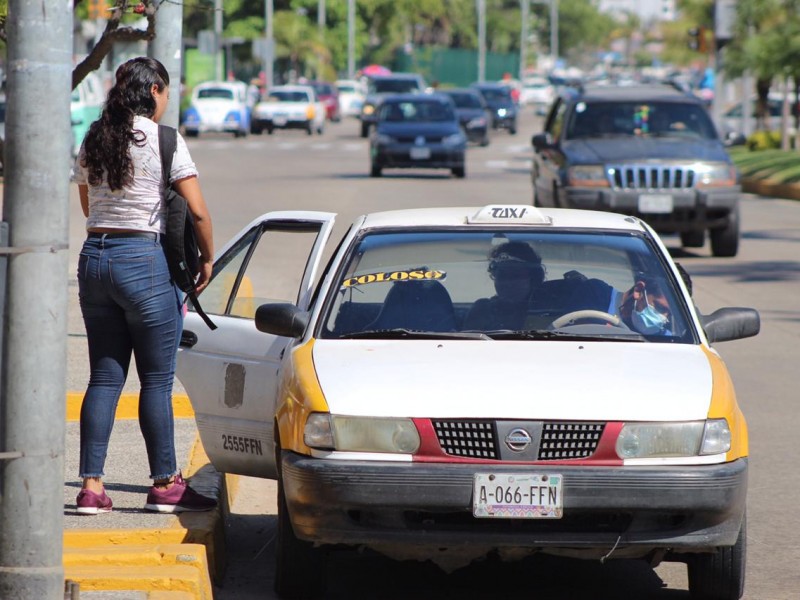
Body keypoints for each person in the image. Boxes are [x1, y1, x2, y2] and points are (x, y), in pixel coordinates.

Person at [71, 57, 216, 515]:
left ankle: (92, 487)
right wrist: (208, 258)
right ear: (154, 89)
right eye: (166, 93)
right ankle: (165, 484)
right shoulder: (164, 139)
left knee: (104, 376)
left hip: (95, 258)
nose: (166, 101)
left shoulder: (94, 138)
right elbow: (196, 211)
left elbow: (86, 199)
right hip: (144, 261)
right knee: (155, 380)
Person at [463, 242, 545, 331]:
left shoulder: (545, 310)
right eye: (502, 275)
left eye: (515, 276)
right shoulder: (482, 310)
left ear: (533, 278)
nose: (507, 283)